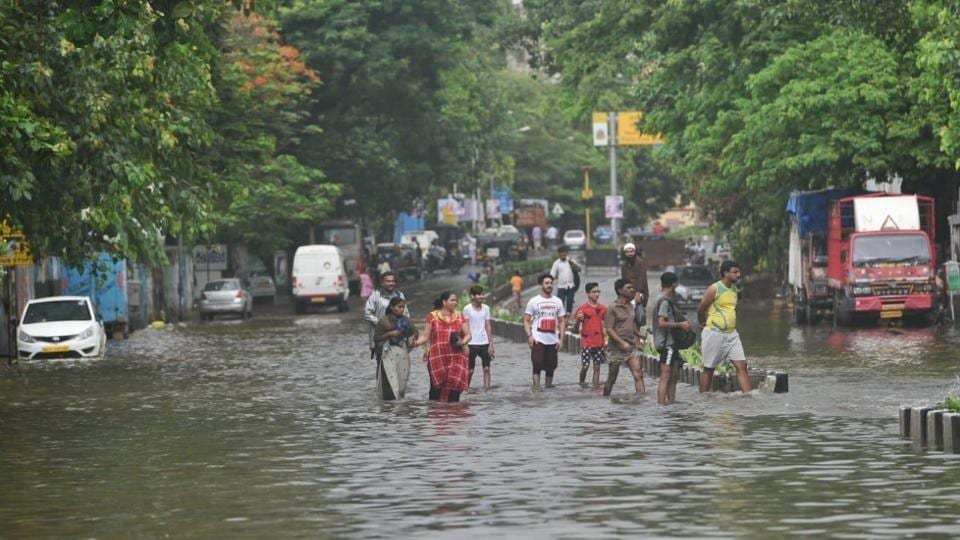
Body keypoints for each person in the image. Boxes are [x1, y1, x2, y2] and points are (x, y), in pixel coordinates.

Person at [696, 260, 751, 394]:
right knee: (709, 368)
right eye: (735, 272)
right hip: (714, 333)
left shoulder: (734, 289)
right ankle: (703, 399)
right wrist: (702, 323)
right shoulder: (714, 289)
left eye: (739, 272)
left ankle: (748, 397)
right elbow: (700, 309)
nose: (738, 275)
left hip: (732, 334)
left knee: (742, 366)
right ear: (726, 273)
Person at [414, 291, 471, 402]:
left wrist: (463, 342)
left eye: (456, 300)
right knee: (436, 390)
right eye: (452, 300)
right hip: (437, 358)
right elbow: (425, 337)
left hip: (457, 358)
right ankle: (437, 416)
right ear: (444, 302)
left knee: (454, 388)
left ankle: (454, 415)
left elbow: (468, 334)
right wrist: (414, 343)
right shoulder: (432, 317)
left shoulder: (460, 316)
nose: (455, 302)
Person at [652, 272, 691, 405]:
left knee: (673, 376)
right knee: (666, 375)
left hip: (671, 344)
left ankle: (671, 403)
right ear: (674, 284)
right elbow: (661, 323)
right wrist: (681, 324)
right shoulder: (664, 301)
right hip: (667, 344)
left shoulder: (662, 299)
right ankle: (661, 404)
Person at [523, 273, 566, 390]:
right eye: (546, 283)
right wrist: (529, 336)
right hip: (538, 338)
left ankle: (548, 388)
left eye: (551, 283)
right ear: (541, 285)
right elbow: (526, 320)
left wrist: (561, 340)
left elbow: (562, 321)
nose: (549, 285)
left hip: (553, 339)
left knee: (551, 366)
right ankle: (536, 389)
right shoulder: (533, 301)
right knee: (537, 364)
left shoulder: (558, 301)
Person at [603, 278, 645, 396]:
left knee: (638, 374)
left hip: (630, 346)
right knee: (612, 379)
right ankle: (605, 399)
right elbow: (609, 328)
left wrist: (638, 334)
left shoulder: (632, 306)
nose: (632, 290)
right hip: (616, 348)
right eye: (629, 288)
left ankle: (641, 401)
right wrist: (621, 342)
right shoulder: (613, 307)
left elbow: (631, 323)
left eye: (632, 287)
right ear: (620, 290)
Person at [373, 297, 419, 400]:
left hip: (402, 353)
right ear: (392, 307)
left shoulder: (405, 320)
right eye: (399, 307)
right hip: (387, 355)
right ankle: (389, 405)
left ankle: (398, 404)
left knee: (401, 380)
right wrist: (390, 334)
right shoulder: (384, 321)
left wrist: (412, 337)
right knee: (389, 380)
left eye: (403, 307)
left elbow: (415, 331)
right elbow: (376, 338)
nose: (402, 309)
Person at [364, 272, 407, 359]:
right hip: (381, 338)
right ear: (382, 283)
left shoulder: (400, 295)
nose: (391, 283)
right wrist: (382, 324)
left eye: (393, 281)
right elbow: (367, 313)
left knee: (398, 367)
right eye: (388, 281)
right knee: (383, 367)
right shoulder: (375, 296)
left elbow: (406, 314)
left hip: (398, 337)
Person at [572, 282, 607, 386]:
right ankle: (581, 383)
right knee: (585, 366)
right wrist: (579, 320)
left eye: (598, 291)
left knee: (597, 367)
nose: (597, 294)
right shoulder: (582, 309)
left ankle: (595, 388)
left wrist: (606, 339)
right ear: (588, 293)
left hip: (599, 342)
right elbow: (575, 329)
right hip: (586, 342)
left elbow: (608, 325)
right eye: (594, 292)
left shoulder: (603, 309)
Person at [463, 285, 495, 390]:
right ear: (472, 296)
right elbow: (465, 326)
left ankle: (487, 389)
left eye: (482, 294)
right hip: (471, 343)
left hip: (484, 342)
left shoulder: (486, 308)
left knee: (486, 369)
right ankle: (465, 388)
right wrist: (465, 344)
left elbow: (488, 326)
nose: (481, 296)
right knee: (470, 370)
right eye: (479, 294)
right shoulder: (467, 309)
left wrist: (491, 344)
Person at [620, 242, 650, 328]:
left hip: (639, 293)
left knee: (638, 316)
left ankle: (637, 336)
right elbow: (623, 280)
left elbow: (642, 278)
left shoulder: (641, 263)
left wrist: (638, 293)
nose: (629, 253)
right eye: (627, 252)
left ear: (635, 251)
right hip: (628, 294)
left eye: (631, 251)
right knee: (628, 316)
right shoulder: (624, 265)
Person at [550, 246, 581, 315]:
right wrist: (549, 283)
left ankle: (568, 316)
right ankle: (561, 316)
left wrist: (572, 264)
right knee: (560, 302)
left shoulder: (571, 261)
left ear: (567, 253)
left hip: (570, 285)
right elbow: (552, 275)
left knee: (570, 301)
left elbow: (579, 269)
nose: (562, 256)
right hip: (561, 286)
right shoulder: (556, 263)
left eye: (564, 255)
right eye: (560, 255)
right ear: (558, 254)